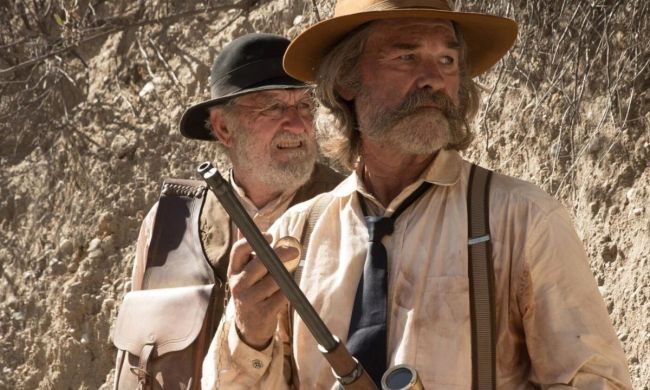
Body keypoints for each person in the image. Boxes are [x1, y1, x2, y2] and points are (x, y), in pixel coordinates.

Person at [203, 2, 633, 389]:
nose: (433, 79)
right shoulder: (297, 234)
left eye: (447, 60)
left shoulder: (523, 219)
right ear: (347, 81)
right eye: (406, 56)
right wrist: (249, 334)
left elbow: (595, 381)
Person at [113, 33, 342, 388]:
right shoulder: (170, 222)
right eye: (273, 107)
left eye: (305, 106)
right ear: (223, 127)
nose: (298, 125)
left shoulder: (349, 206)